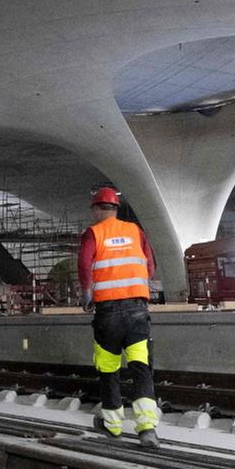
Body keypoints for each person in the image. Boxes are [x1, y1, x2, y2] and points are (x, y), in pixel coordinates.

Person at [79, 185, 160, 447]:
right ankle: (147, 428)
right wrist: (136, 286)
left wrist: (86, 292)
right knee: (141, 367)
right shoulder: (135, 231)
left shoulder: (93, 232)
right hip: (137, 311)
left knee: (108, 368)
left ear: (96, 209)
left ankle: (113, 425)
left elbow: (83, 263)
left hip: (108, 314)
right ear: (115, 208)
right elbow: (150, 265)